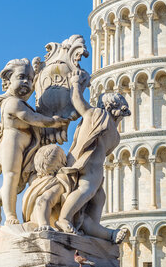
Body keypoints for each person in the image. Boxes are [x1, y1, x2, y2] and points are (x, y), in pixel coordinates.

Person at [0, 58, 66, 225]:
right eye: (21, 77)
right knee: (11, 178)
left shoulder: (21, 101)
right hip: (12, 145)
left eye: (30, 78)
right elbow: (34, 118)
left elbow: (28, 92)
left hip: (28, 147)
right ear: (8, 81)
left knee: (18, 181)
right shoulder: (12, 103)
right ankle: (10, 215)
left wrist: (39, 73)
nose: (27, 82)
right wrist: (55, 121)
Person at [55, 70, 130, 243]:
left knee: (98, 197)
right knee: (86, 189)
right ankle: (64, 218)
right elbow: (78, 102)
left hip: (97, 168)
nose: (124, 110)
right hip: (86, 162)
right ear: (111, 106)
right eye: (121, 105)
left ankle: (91, 228)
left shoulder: (115, 132)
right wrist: (75, 84)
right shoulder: (97, 115)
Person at [22, 144, 76, 230]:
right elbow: (43, 200)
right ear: (62, 162)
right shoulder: (57, 183)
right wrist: (44, 224)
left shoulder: (35, 182)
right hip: (44, 224)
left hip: (31, 222)